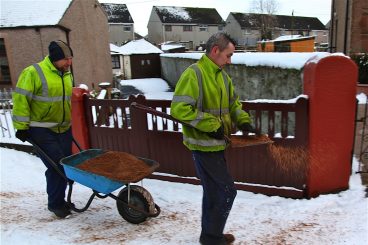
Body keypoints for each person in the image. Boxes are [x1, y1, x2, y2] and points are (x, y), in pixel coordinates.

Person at [170, 32, 258, 245]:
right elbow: (179, 108)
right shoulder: (194, 74)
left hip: (218, 145)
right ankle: (212, 237)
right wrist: (211, 126)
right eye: (228, 55)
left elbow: (234, 105)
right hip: (202, 147)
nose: (229, 61)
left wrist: (243, 121)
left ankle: (210, 236)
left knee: (213, 192)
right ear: (215, 50)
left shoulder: (222, 77)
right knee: (226, 192)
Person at [12, 40, 74, 218]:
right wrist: (21, 127)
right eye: (65, 59)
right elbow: (21, 99)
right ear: (54, 59)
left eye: (70, 58)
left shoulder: (66, 74)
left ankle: (62, 200)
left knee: (66, 166)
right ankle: (56, 204)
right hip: (41, 129)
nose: (69, 63)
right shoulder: (33, 72)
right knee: (57, 166)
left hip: (63, 128)